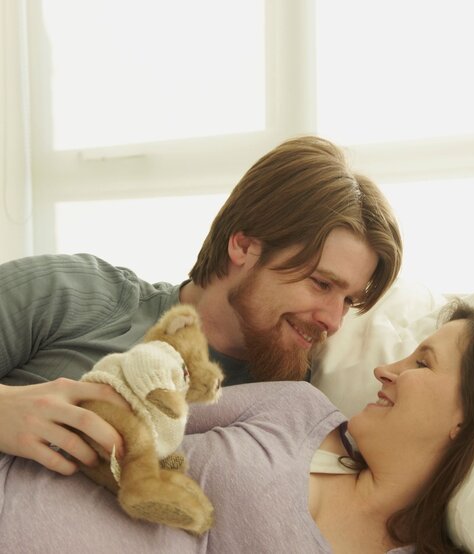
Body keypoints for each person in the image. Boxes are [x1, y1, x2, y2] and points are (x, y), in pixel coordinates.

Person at [0, 302, 474, 553]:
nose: (385, 369)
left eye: (422, 363)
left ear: (467, 416)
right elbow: (113, 409)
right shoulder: (294, 407)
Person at [0, 136, 403, 476]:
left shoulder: (293, 406)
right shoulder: (75, 293)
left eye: (348, 301)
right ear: (243, 245)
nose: (333, 321)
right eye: (320, 283)